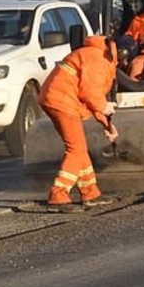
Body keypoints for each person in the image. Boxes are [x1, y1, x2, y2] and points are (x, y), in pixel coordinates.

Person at [39, 35, 119, 207]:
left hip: (57, 98)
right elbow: (90, 94)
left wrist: (107, 125)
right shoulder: (98, 58)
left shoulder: (92, 54)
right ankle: (58, 195)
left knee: (79, 149)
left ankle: (90, 192)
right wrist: (104, 107)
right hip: (62, 100)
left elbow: (90, 99)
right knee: (76, 149)